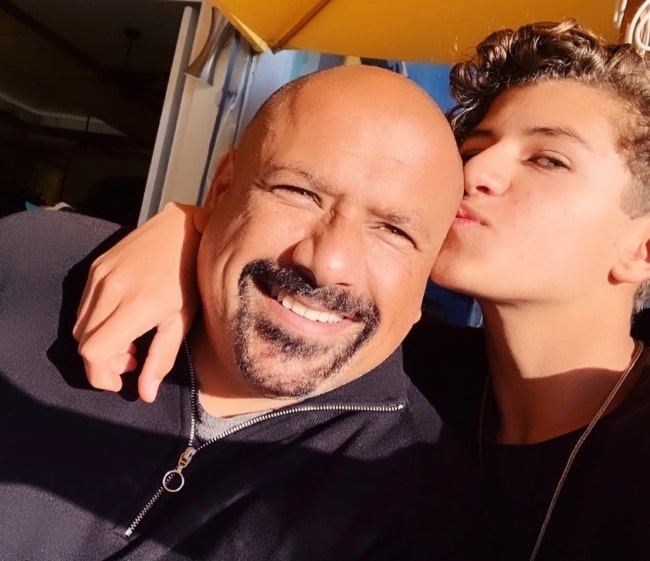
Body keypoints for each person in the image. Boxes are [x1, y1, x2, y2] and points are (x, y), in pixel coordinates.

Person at [74, 20, 650, 561]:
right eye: (474, 149)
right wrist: (192, 231)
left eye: (548, 159)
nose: (474, 174)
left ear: (642, 250)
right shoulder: (401, 371)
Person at [0, 65, 482, 560]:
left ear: (428, 275)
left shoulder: (421, 508)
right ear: (221, 188)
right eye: (299, 193)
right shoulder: (33, 272)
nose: (328, 263)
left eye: (393, 231)